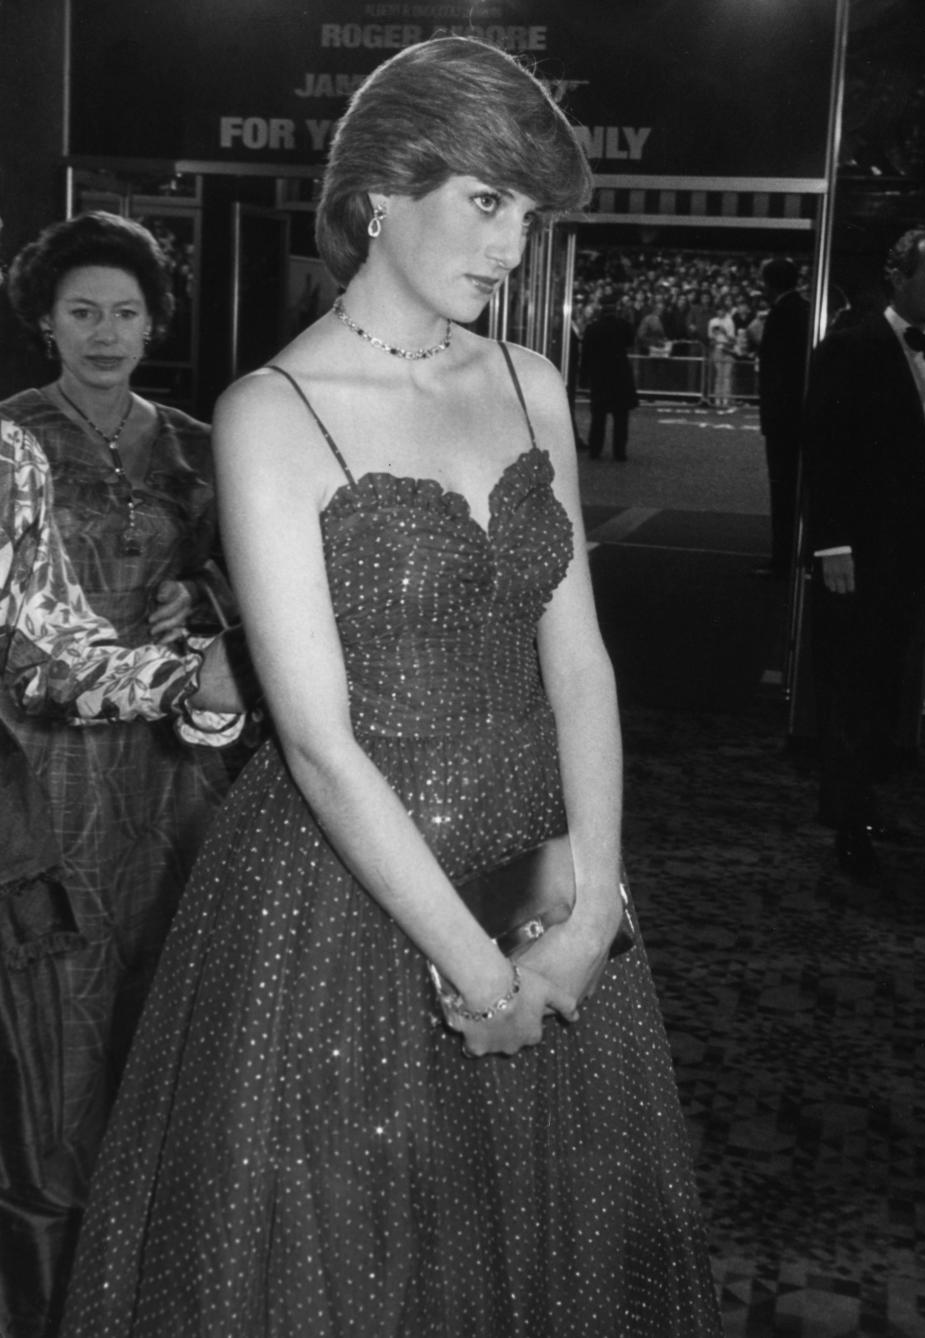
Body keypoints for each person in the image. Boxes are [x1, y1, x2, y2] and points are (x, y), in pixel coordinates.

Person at [61, 37, 721, 1337]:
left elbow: (578, 657)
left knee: (544, 1252)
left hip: (541, 872)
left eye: (529, 215)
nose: (510, 244)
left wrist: (591, 901)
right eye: (488, 200)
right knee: (354, 1259)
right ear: (380, 193)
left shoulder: (531, 383)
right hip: (346, 901)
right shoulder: (276, 409)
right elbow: (312, 739)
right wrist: (478, 968)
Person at [0, 212, 243, 1276]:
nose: (105, 333)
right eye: (83, 312)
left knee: (174, 1042)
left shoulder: (199, 444)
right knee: (50, 1066)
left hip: (184, 771)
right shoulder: (10, 440)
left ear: (155, 324)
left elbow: (258, 594)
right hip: (41, 769)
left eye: (126, 313)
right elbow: (21, 642)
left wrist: (208, 597)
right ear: (45, 322)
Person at [805, 228, 925, 885]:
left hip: (909, 551)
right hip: (860, 550)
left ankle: (863, 803)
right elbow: (826, 450)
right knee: (853, 687)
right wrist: (832, 543)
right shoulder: (853, 346)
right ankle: (846, 821)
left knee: (886, 685)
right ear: (897, 276)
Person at [756, 258, 809, 578]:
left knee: (784, 490)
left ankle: (783, 560)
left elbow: (778, 372)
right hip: (793, 417)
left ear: (770, 282)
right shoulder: (800, 310)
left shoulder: (783, 314)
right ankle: (789, 558)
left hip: (784, 420)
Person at [580, 296, 637, 461]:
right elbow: (629, 342)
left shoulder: (592, 328)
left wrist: (584, 377)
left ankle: (595, 450)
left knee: (598, 417)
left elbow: (586, 355)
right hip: (620, 376)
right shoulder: (624, 326)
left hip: (600, 376)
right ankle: (619, 452)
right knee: (621, 418)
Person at [707, 299, 736, 409]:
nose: (720, 312)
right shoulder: (712, 322)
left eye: (722, 310)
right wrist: (715, 340)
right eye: (718, 310)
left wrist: (724, 333)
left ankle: (726, 399)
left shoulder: (730, 322)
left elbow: (732, 339)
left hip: (728, 350)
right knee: (719, 375)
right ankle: (717, 399)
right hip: (717, 350)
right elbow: (710, 338)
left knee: (726, 376)